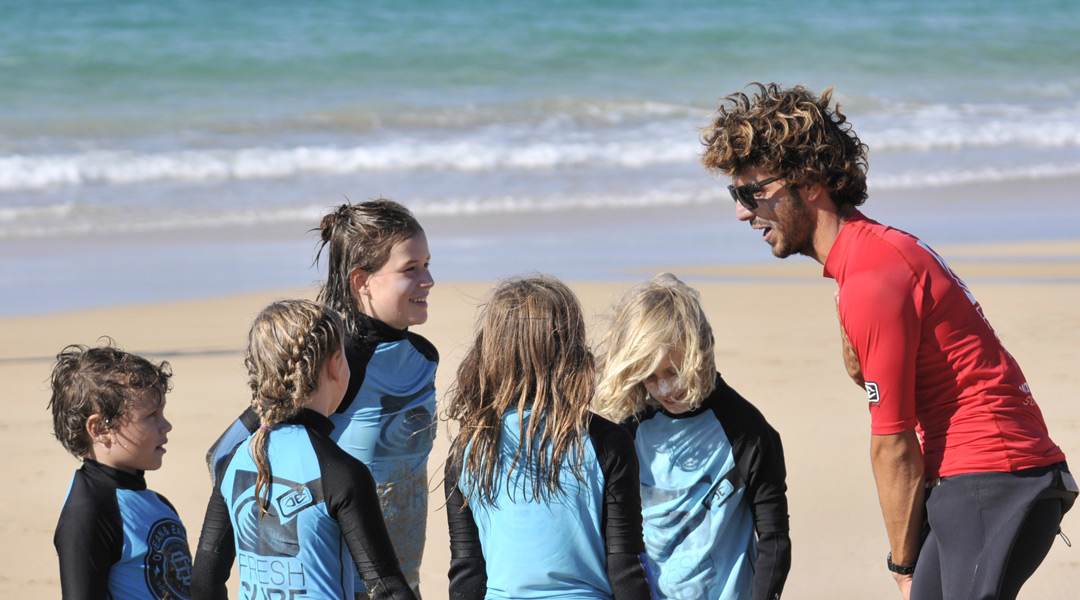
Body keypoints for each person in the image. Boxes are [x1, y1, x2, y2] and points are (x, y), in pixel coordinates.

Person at [700, 82, 1077, 599]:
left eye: (753, 192)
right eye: (735, 194)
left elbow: (892, 444)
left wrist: (901, 564)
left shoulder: (872, 273)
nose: (743, 212)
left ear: (809, 182)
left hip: (996, 478)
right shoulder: (865, 257)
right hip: (975, 477)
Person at [205, 199, 437, 598]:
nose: (428, 279)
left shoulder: (422, 357)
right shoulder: (336, 364)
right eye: (410, 269)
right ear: (361, 281)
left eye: (428, 264)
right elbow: (224, 457)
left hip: (402, 580)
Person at [443, 275, 654, 600]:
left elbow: (467, 573)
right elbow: (625, 566)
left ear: (492, 350)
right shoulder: (607, 441)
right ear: (570, 348)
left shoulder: (469, 449)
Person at [191, 299, 417, 600]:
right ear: (336, 365)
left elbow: (204, 581)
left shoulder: (234, 461)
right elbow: (387, 590)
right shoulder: (342, 473)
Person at [593, 273, 790, 600]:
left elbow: (774, 539)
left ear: (701, 348)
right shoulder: (631, 431)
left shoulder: (748, 432)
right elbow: (614, 538)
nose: (664, 389)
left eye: (673, 372)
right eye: (650, 377)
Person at [49, 340, 192, 600]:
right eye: (151, 416)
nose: (166, 425)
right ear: (100, 429)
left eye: (163, 413)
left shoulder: (159, 503)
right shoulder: (89, 514)